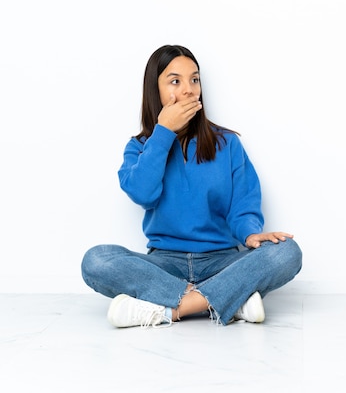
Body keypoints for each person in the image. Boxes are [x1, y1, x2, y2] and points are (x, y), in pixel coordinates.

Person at [81, 44, 302, 328]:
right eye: (175, 81)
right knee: (96, 260)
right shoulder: (139, 148)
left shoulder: (227, 143)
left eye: (194, 80)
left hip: (222, 263)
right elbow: (143, 193)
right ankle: (229, 301)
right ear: (155, 91)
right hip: (164, 266)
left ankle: (167, 309)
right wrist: (163, 133)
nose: (189, 90)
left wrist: (249, 235)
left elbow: (243, 205)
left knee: (287, 251)